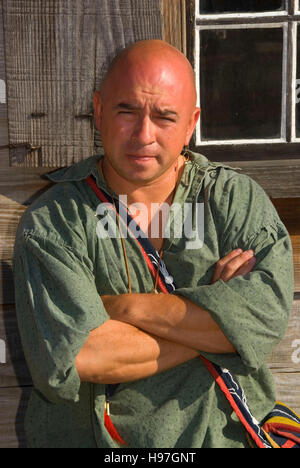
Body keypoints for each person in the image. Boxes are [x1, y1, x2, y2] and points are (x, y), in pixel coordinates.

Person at [13, 40, 294, 448]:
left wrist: (119, 308)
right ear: (98, 109)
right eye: (127, 111)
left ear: (191, 123)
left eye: (164, 117)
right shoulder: (55, 221)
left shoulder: (233, 200)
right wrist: (222, 325)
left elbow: (264, 319)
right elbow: (81, 357)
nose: (144, 135)